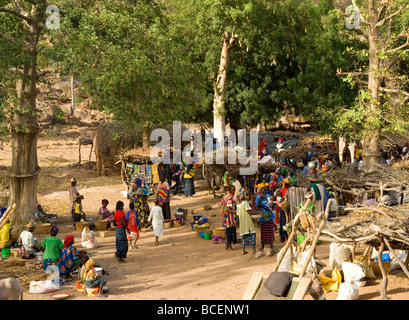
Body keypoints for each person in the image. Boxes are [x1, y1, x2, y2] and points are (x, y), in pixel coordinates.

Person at [237, 188, 258, 255]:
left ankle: (243, 250)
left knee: (244, 236)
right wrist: (257, 212)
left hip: (242, 223)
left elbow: (238, 214)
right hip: (247, 222)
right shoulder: (245, 203)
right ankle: (253, 250)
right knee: (252, 235)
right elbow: (249, 211)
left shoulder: (238, 205)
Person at [255, 186, 276, 250]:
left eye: (264, 188)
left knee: (270, 230)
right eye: (262, 188)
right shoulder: (258, 197)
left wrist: (270, 211)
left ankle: (271, 244)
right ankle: (263, 245)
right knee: (263, 231)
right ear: (259, 190)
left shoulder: (268, 195)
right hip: (263, 215)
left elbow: (272, 204)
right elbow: (257, 207)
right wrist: (260, 198)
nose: (263, 189)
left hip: (269, 215)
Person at [220, 185, 238, 251]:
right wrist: (236, 212)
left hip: (226, 217)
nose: (234, 192)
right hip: (230, 218)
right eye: (233, 190)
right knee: (230, 232)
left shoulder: (226, 195)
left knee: (228, 231)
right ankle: (230, 246)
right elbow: (228, 209)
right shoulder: (230, 199)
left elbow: (221, 203)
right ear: (230, 190)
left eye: (234, 190)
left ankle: (227, 245)